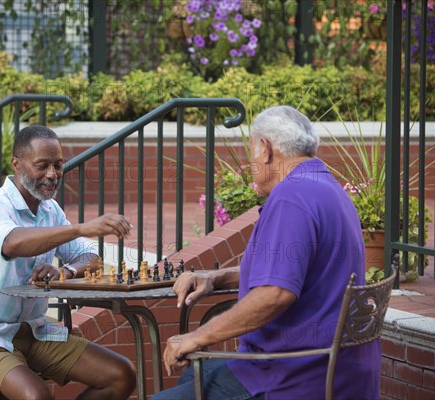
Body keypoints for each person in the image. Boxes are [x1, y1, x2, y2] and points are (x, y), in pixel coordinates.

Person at [152, 106, 379, 400]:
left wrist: (197, 337)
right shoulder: (327, 187)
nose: (252, 164)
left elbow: (275, 293)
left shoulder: (291, 196)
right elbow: (296, 272)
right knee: (191, 374)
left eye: (251, 155)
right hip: (336, 370)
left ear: (265, 149)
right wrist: (215, 278)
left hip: (292, 375)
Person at [0, 125, 136, 400]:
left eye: (58, 165)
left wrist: (65, 271)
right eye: (42, 165)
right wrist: (81, 228)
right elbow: (12, 243)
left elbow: (92, 259)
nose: (52, 174)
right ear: (17, 165)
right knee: (36, 396)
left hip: (34, 332)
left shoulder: (49, 210)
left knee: (120, 375)